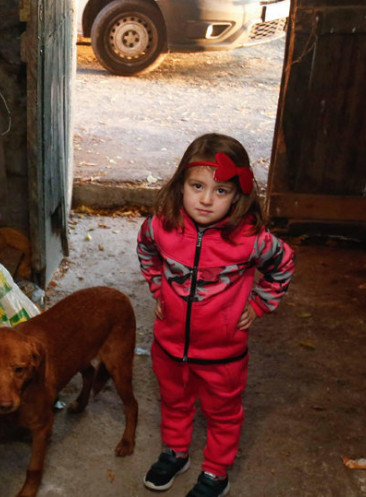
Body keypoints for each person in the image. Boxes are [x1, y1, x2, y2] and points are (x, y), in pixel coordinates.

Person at [136, 133, 295, 497]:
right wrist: (158, 286)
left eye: (221, 191)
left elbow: (283, 265)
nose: (206, 200)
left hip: (224, 352)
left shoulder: (251, 239)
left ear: (238, 195)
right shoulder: (161, 225)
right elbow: (146, 249)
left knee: (222, 413)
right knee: (174, 400)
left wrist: (258, 304)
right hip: (169, 344)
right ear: (180, 185)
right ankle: (176, 452)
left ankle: (216, 472)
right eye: (197, 186)